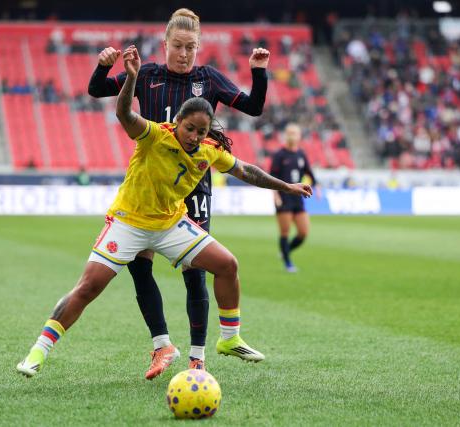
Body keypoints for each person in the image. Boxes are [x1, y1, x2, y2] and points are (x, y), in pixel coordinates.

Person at [16, 45, 311, 378]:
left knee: (227, 265)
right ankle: (38, 351)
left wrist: (286, 187)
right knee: (88, 287)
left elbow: (247, 170)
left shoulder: (209, 150)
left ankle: (229, 339)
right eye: (190, 129)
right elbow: (124, 115)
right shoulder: (155, 135)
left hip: (170, 225)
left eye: (202, 131)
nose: (195, 137)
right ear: (177, 122)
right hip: (129, 222)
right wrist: (130, 78)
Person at [88, 7, 270, 377]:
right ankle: (160, 345)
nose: (184, 54)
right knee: (140, 270)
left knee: (195, 274)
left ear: (199, 48)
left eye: (191, 47)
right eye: (178, 46)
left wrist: (258, 71)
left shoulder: (209, 78)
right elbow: (96, 89)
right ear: (165, 43)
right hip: (149, 190)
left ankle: (198, 357)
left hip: (193, 187)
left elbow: (253, 107)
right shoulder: (147, 74)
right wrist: (104, 65)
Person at [269, 123, 318, 273]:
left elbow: (309, 173)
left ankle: (285, 251)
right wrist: (276, 195)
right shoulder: (279, 155)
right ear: (285, 136)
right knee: (285, 231)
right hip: (284, 198)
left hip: (298, 198)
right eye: (289, 133)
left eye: (294, 133)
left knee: (303, 232)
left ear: (299, 136)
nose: (292, 136)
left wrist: (316, 186)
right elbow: (272, 178)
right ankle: (288, 263)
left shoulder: (301, 154)